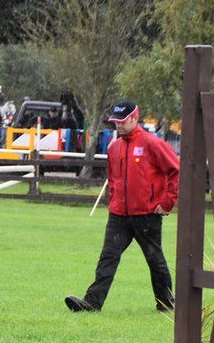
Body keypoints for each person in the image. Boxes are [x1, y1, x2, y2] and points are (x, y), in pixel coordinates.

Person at [64, 100, 179, 313]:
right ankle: (91, 303)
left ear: (135, 118)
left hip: (147, 214)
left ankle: (166, 303)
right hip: (118, 215)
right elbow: (114, 180)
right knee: (108, 257)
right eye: (116, 122)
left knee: (155, 259)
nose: (118, 125)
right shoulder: (113, 148)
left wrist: (168, 201)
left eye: (123, 121)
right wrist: (113, 201)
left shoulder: (152, 143)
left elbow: (176, 169)